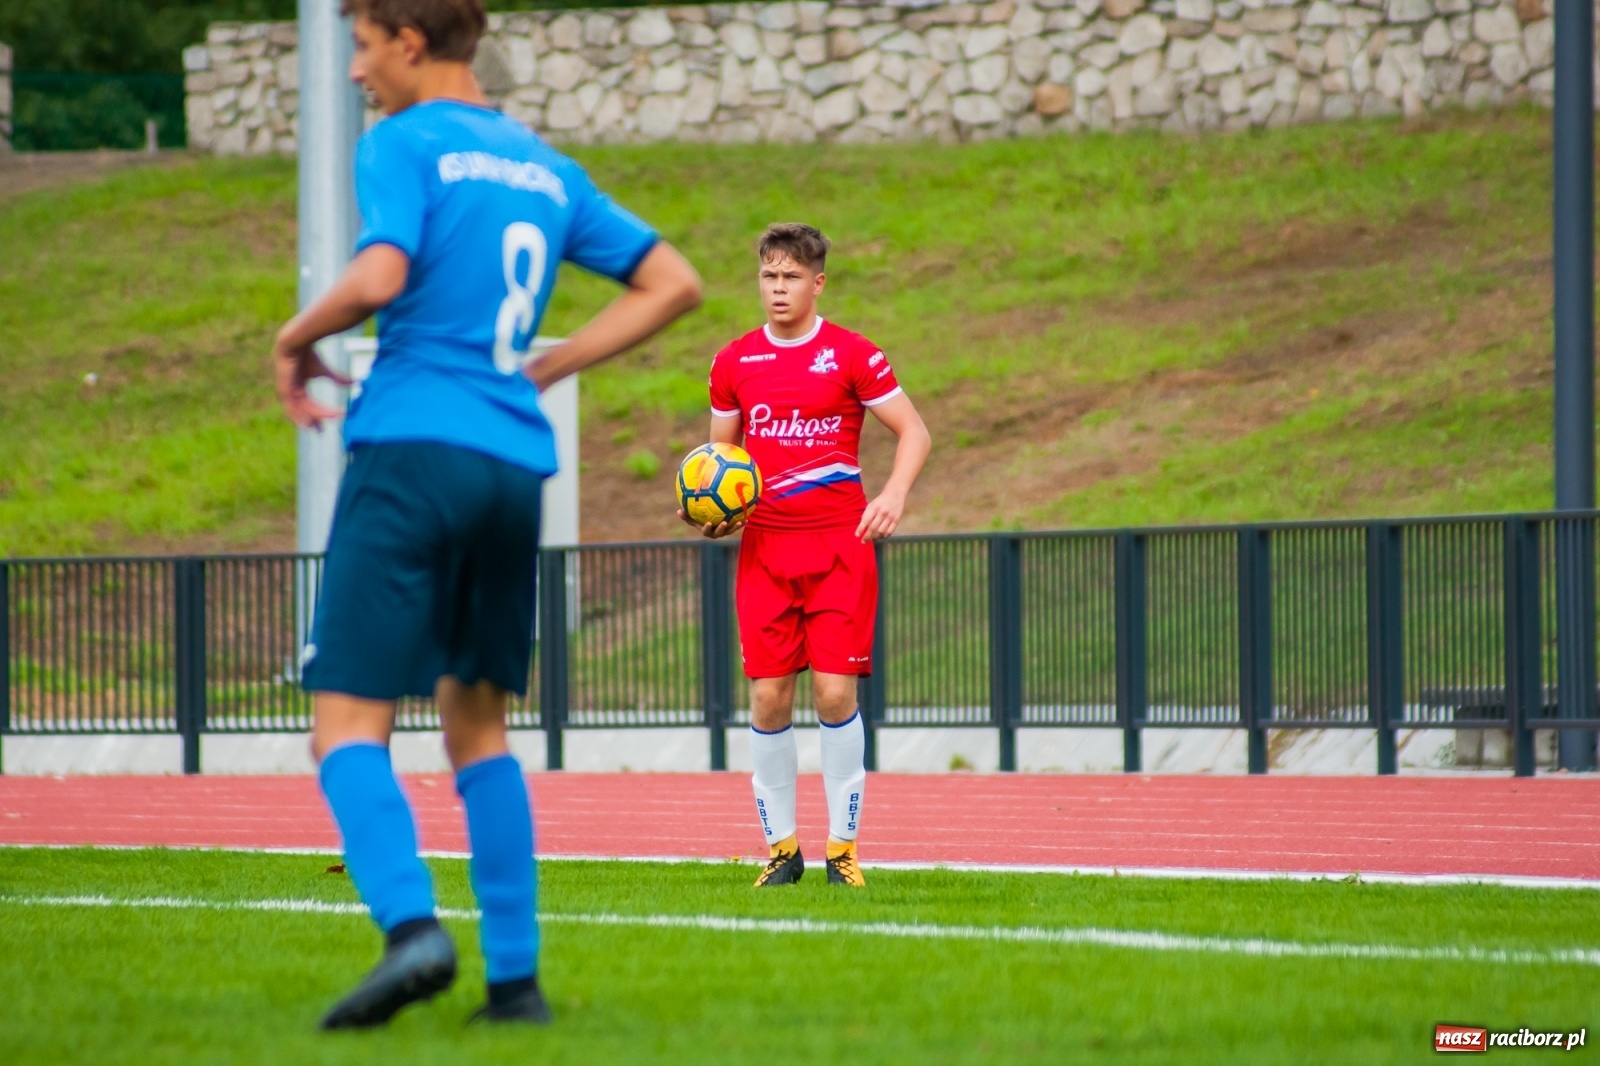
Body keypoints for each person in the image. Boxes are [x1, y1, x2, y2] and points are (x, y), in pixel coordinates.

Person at [272, 0, 701, 1029]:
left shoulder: (402, 141)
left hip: (414, 445)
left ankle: (411, 929)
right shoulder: (543, 165)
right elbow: (675, 282)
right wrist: (547, 363)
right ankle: (515, 985)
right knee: (478, 724)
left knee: (343, 724)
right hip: (515, 462)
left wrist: (292, 336)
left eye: (364, 49)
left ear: (410, 44)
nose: (354, 73)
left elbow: (382, 274)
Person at [686, 223, 931, 888]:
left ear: (817, 282)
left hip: (839, 547)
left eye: (791, 277)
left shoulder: (852, 355)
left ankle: (843, 850)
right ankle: (782, 853)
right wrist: (711, 512)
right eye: (769, 276)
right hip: (765, 549)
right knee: (768, 700)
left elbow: (914, 431)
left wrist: (894, 494)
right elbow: (720, 463)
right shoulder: (733, 362)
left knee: (831, 693)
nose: (779, 289)